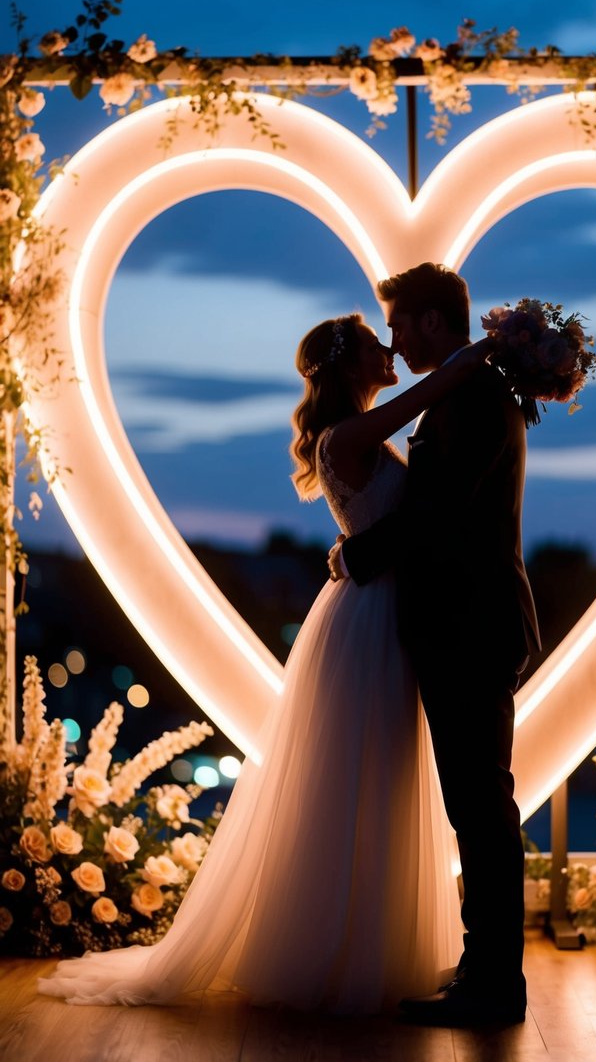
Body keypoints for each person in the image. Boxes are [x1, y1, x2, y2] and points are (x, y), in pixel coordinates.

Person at [37, 312, 493, 1012]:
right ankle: (339, 952)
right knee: (358, 774)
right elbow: (418, 406)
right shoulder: (347, 434)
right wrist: (478, 358)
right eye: (377, 344)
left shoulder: (348, 433)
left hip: (378, 611)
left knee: (380, 774)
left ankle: (370, 946)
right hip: (368, 622)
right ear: (348, 368)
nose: (390, 348)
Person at [329, 263, 542, 1028]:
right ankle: (483, 970)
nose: (390, 339)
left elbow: (440, 509)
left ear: (427, 321)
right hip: (462, 623)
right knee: (475, 806)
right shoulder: (463, 395)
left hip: (471, 625)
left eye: (397, 324)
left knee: (481, 808)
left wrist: (358, 554)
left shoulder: (475, 399)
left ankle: (492, 985)